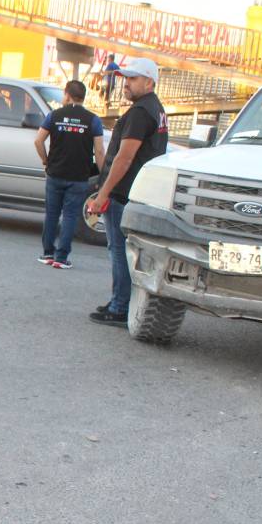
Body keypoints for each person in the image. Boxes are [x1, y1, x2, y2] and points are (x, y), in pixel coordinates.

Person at [85, 58, 167, 326]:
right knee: (126, 251)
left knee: (119, 250)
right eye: (125, 78)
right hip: (138, 192)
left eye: (132, 79)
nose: (126, 84)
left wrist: (103, 194)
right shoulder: (155, 109)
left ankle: (120, 307)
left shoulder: (141, 112)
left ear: (149, 82)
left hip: (124, 194)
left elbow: (125, 157)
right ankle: (122, 303)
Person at [33, 79, 105, 270]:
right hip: (79, 177)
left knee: (52, 214)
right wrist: (103, 175)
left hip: (55, 173)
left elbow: (38, 141)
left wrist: (46, 161)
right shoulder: (93, 120)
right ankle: (61, 258)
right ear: (83, 97)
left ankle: (47, 253)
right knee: (70, 216)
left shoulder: (54, 116)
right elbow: (99, 151)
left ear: (66, 94)